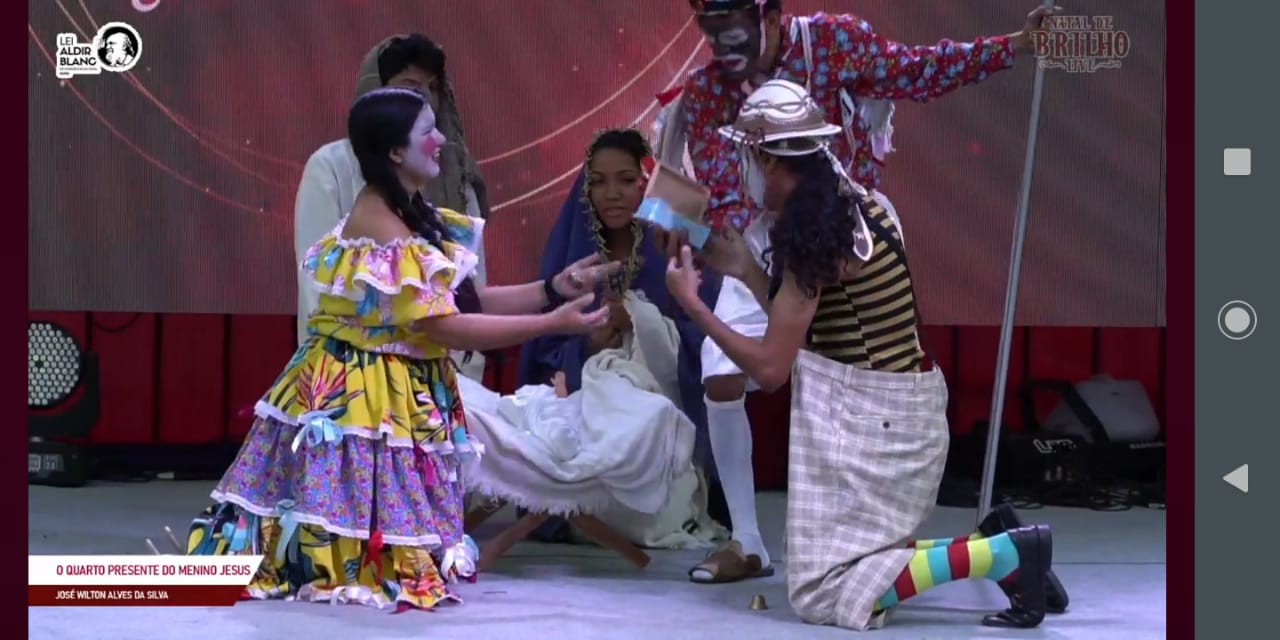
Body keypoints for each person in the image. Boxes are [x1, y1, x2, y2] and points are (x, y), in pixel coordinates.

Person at [657, 1, 1068, 613]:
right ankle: (750, 539)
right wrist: (700, 243)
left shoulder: (832, 45)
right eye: (711, 31)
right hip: (771, 244)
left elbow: (916, 70)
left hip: (828, 253)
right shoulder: (708, 91)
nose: (723, 45)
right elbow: (694, 194)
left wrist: (1017, 44)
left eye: (734, 28)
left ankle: (988, 551)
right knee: (727, 372)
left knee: (824, 584)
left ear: (770, 13)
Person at [185, 86, 620, 612]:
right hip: (358, 393)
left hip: (397, 386)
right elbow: (445, 327)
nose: (441, 140)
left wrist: (553, 288)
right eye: (427, 131)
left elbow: (466, 299)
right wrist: (551, 323)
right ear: (395, 151)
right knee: (355, 538)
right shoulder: (380, 221)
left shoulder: (410, 212)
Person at [514, 128, 727, 543]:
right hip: (582, 394)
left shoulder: (678, 254)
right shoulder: (572, 260)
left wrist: (639, 322)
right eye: (598, 182)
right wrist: (588, 343)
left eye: (627, 180)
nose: (611, 194)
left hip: (660, 395)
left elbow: (709, 343)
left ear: (647, 185)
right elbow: (542, 352)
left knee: (645, 421)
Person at [294, 33, 491, 356]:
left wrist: (551, 292)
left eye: (432, 88)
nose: (424, 97)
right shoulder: (331, 167)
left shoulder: (455, 178)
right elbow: (319, 286)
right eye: (411, 86)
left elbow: (469, 291)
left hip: (446, 368)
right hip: (357, 367)